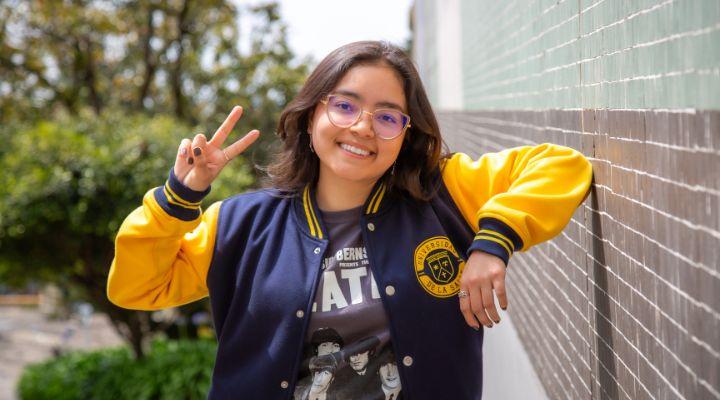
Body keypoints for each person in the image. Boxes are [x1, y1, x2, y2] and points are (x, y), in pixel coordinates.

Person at [107, 41, 593, 399]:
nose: (362, 127)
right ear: (310, 114)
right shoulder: (240, 224)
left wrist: (492, 243)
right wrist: (178, 197)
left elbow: (561, 166)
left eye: (387, 116)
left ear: (407, 133)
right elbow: (136, 288)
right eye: (345, 105)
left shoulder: (446, 194)